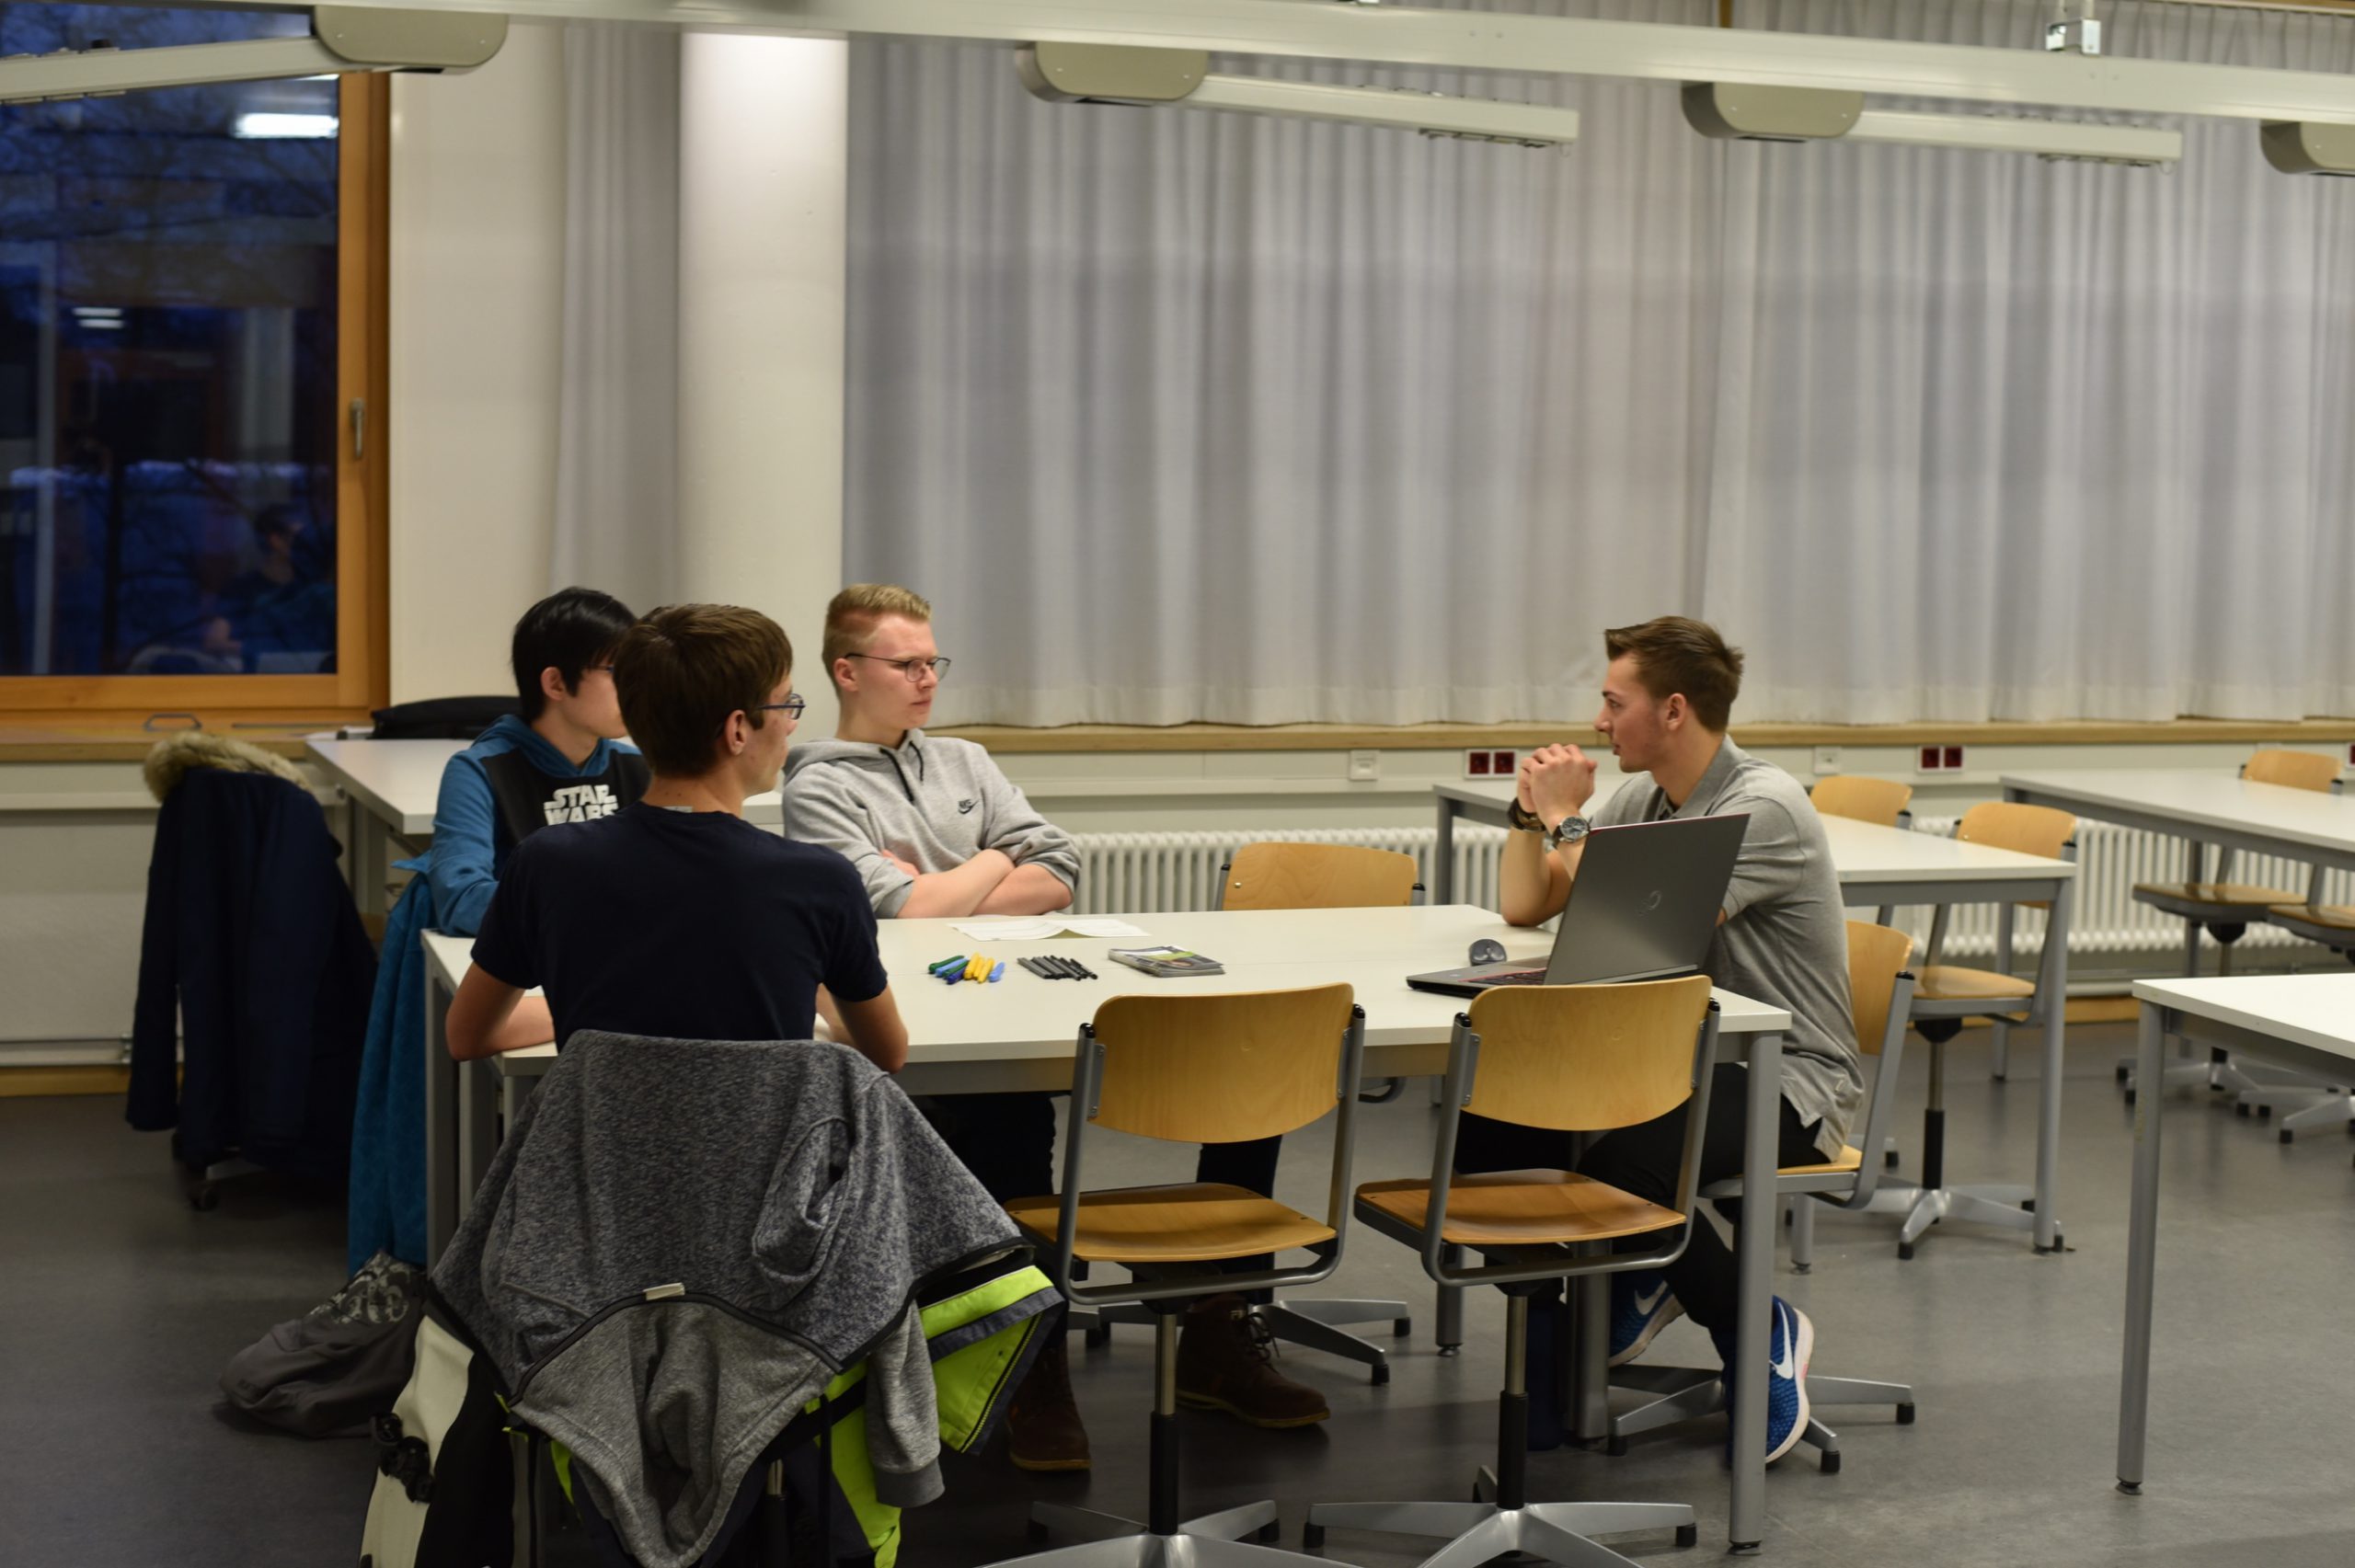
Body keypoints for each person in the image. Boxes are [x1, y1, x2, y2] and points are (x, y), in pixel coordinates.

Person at [781, 584, 1327, 1473]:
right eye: (906, 664)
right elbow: (897, 913)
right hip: (916, 1019)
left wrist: (960, 875)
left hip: (1020, 991)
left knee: (1247, 1060)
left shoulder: (965, 759)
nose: (927, 679)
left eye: (932, 661)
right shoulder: (818, 785)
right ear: (847, 671)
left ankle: (1215, 1320)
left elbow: (1061, 865)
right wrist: (994, 863)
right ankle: (1030, 1356)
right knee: (1007, 1116)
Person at [1474, 615, 1857, 1464]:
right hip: (1676, 1063)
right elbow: (1526, 906)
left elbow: (1641, 928)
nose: (1600, 721)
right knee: (1494, 1133)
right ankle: (1557, 1359)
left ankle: (1755, 1325)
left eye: (1616, 703)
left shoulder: (1762, 805)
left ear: (1674, 709)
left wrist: (1564, 812)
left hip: (1787, 1075)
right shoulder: (1647, 799)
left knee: (1623, 1167)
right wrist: (1527, 813)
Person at [445, 602, 906, 1076]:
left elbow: (467, 1035)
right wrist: (820, 989)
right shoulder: (819, 881)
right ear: (737, 730)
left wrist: (577, 1002)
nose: (791, 723)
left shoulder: (546, 863)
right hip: (767, 1129)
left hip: (600, 1127)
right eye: (784, 705)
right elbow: (887, 1054)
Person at [346, 587, 648, 1269]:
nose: (637, 687)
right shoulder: (481, 767)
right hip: (500, 980)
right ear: (556, 683)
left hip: (593, 977)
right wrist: (599, 923)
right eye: (617, 670)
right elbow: (461, 896)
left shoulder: (635, 763)